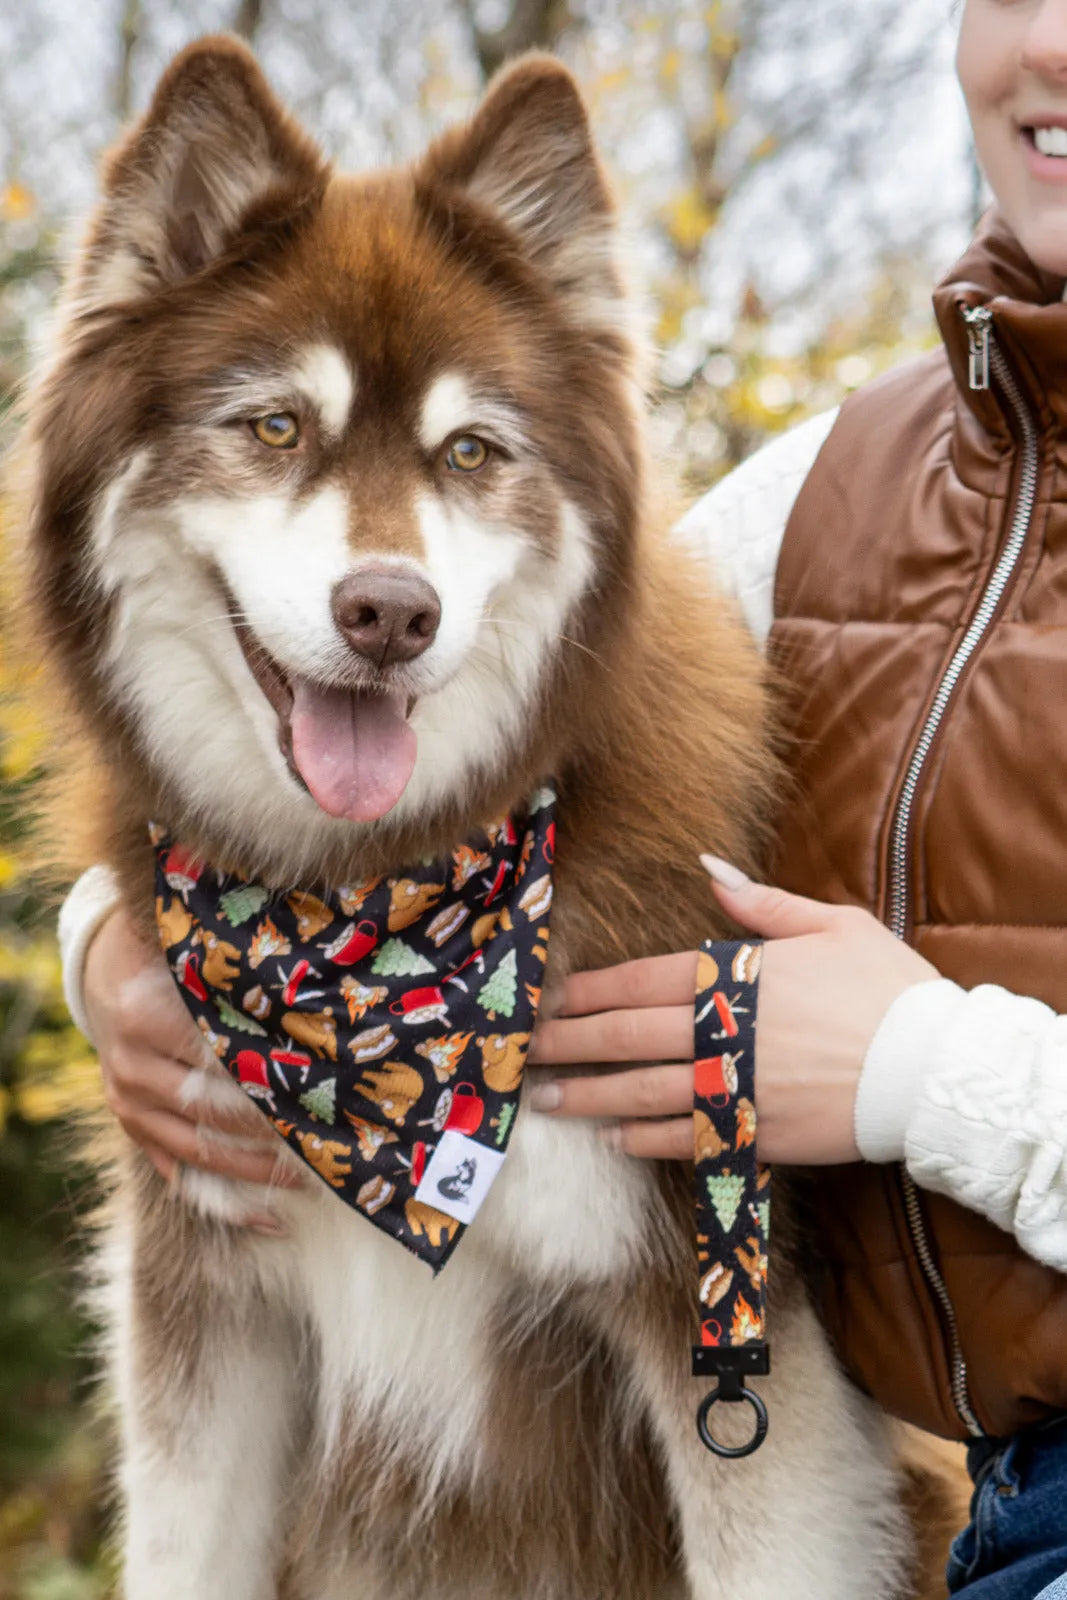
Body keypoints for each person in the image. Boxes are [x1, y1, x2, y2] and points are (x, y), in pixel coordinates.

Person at [57, 0, 1067, 1593]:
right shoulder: (826, 507)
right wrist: (119, 938)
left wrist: (926, 1073)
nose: (386, 577)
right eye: (272, 432)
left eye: (471, 457)